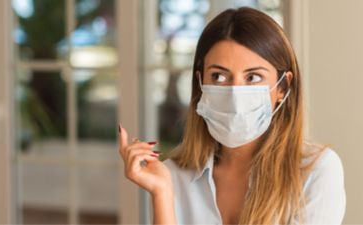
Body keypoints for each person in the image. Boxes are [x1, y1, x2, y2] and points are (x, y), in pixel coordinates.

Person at [118, 7, 346, 225]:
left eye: (253, 77)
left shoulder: (316, 171)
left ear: (282, 88)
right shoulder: (171, 176)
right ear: (200, 83)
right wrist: (161, 193)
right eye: (218, 76)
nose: (235, 93)